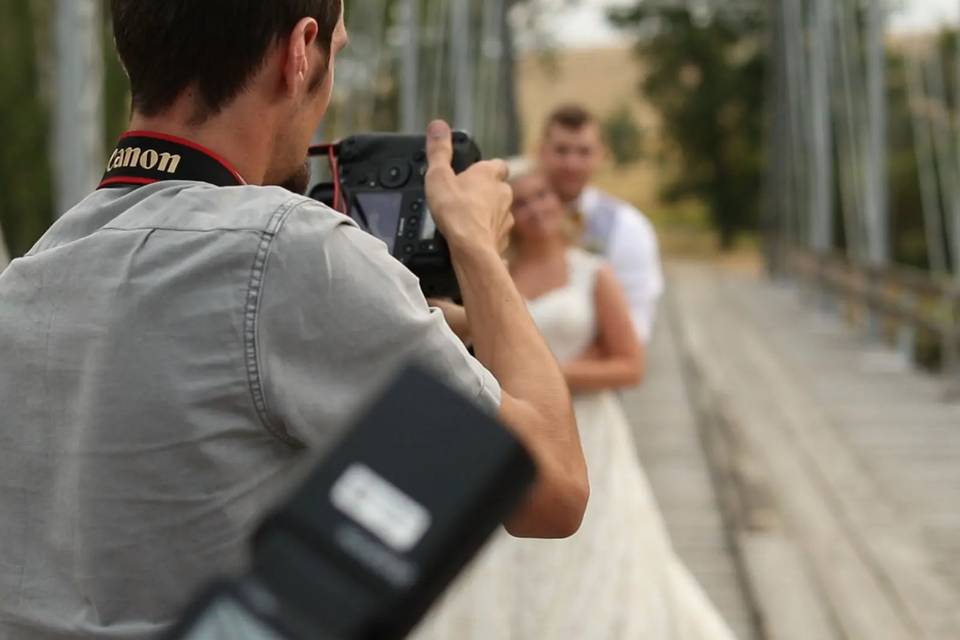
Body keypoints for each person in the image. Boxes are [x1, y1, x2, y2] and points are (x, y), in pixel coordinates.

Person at [0, 2, 589, 638]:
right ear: (299, 51)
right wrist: (474, 245)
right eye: (337, 51)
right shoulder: (289, 250)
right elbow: (551, 489)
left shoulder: (33, 271)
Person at [414, 162, 735, 640]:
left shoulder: (593, 273)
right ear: (507, 212)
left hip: (589, 434)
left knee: (602, 553)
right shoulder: (492, 276)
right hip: (515, 428)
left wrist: (543, 374)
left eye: (542, 196)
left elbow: (630, 364)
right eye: (520, 202)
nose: (535, 208)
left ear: (559, 204)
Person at [539, 104, 665, 343]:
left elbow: (637, 323)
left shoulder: (628, 226)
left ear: (601, 155)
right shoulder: (511, 213)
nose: (571, 164)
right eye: (561, 150)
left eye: (583, 152)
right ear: (542, 152)